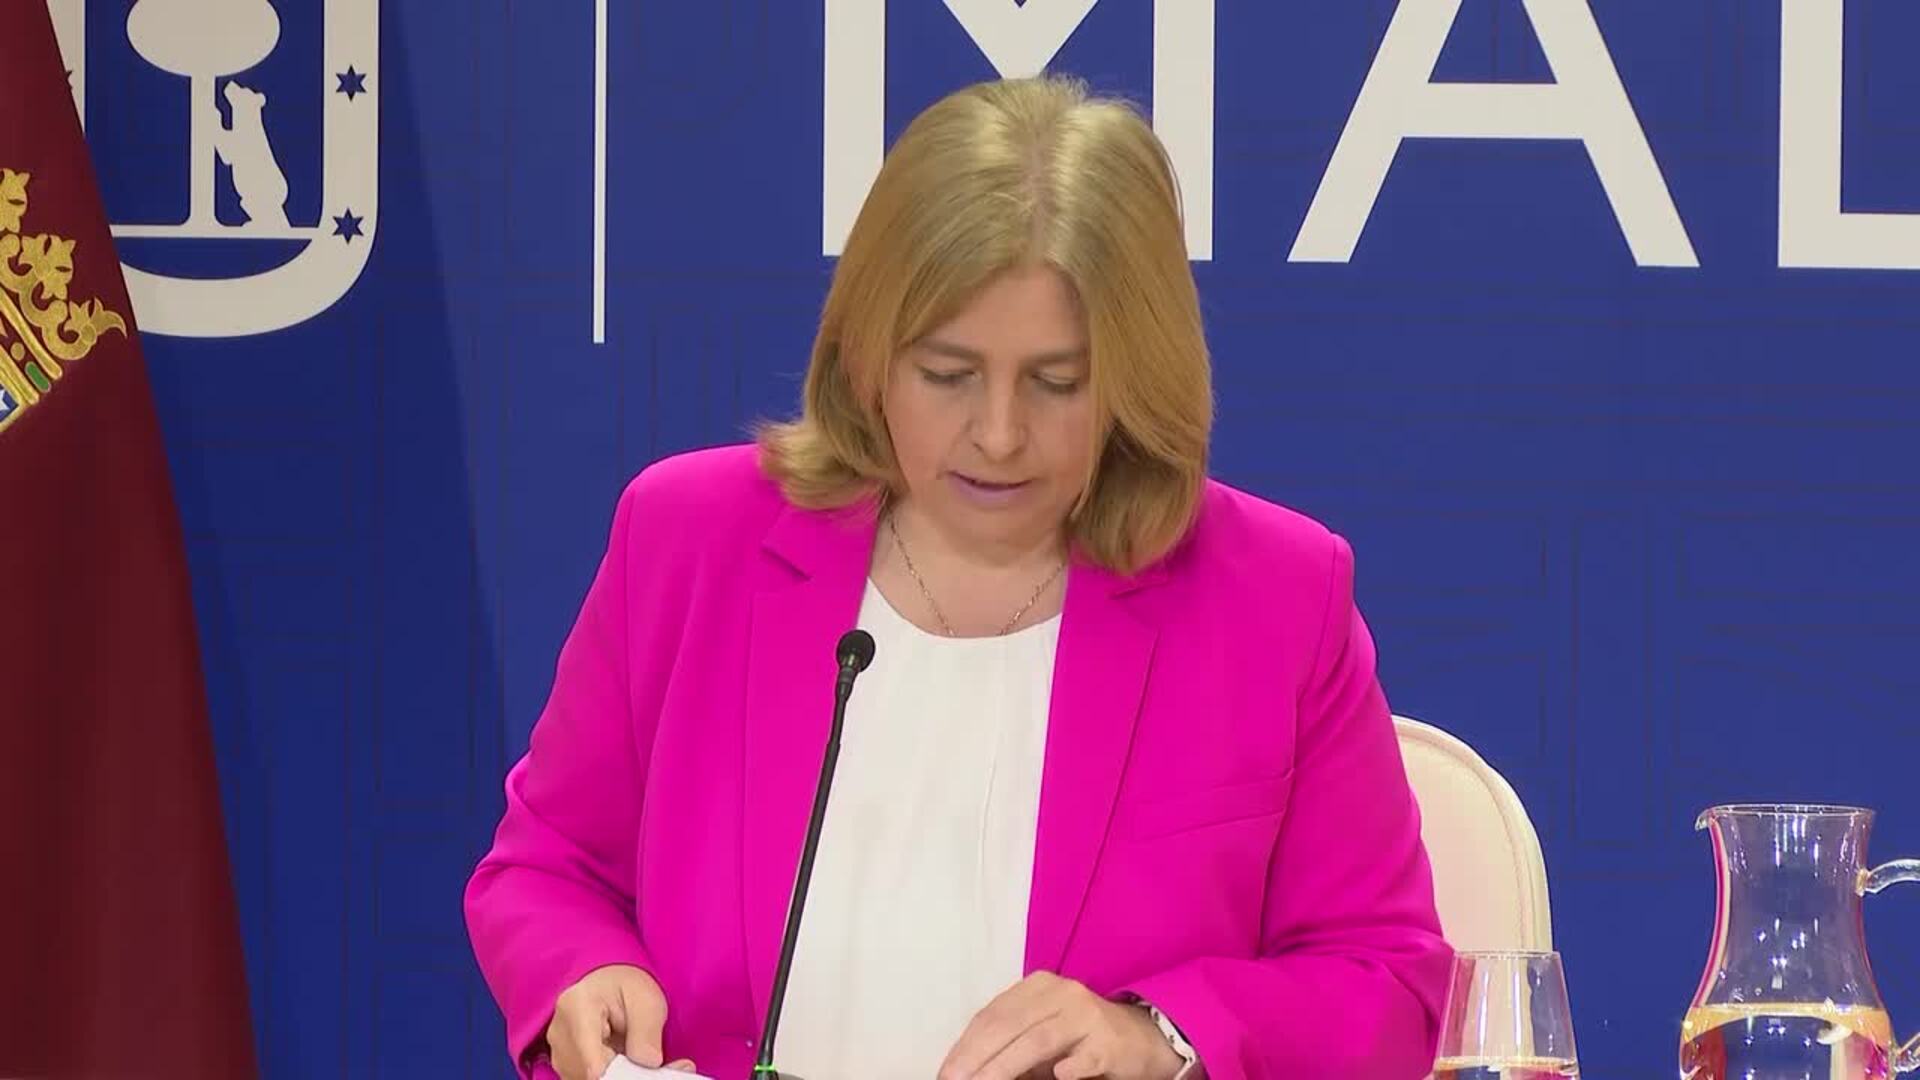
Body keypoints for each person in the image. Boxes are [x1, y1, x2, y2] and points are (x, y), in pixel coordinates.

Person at [466, 75, 1451, 1080]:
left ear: (1135, 379)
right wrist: (581, 971)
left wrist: (1159, 1035)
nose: (999, 434)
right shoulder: (689, 540)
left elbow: (1392, 984)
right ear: (865, 357)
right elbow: (547, 870)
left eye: (1058, 382)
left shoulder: (1275, 597)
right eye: (948, 375)